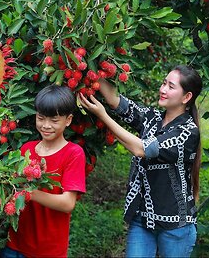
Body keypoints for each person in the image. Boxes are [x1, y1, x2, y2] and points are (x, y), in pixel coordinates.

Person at [77, 65, 202, 257]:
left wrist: (102, 115)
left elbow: (142, 148)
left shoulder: (187, 132)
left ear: (186, 97)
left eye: (171, 86)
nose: (163, 89)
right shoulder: (151, 118)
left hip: (175, 225)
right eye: (163, 83)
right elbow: (116, 102)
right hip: (143, 219)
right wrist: (88, 66)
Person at [1, 84, 86, 258]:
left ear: (68, 120)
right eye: (41, 118)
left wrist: (30, 194)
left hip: (48, 251)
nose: (46, 125)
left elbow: (68, 203)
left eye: (54, 121)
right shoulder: (26, 149)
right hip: (14, 244)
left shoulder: (73, 153)